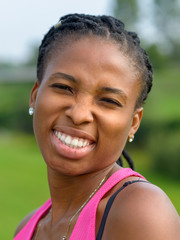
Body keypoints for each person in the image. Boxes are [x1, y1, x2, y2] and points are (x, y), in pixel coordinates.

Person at [14, 13, 180, 240]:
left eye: (109, 101)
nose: (79, 114)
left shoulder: (141, 213)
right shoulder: (27, 227)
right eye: (64, 87)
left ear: (133, 123)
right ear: (34, 95)